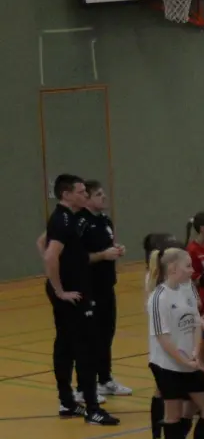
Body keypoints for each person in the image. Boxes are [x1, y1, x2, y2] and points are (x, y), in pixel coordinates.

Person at [43, 174, 115, 423]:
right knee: (84, 347)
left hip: (76, 289)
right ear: (67, 194)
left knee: (66, 345)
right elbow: (50, 255)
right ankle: (92, 408)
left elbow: (42, 241)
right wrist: (60, 289)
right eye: (82, 191)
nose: (85, 195)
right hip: (72, 294)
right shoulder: (63, 220)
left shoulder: (69, 218)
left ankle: (67, 403)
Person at [147, 248, 204, 439]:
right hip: (167, 364)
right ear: (173, 268)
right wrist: (184, 360)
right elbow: (163, 338)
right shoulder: (158, 298)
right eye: (188, 266)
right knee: (172, 412)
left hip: (189, 362)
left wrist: (195, 353)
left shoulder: (187, 289)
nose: (192, 270)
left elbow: (195, 322)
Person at [79, 181, 130, 400]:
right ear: (87, 198)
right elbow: (77, 258)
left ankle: (105, 380)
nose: (104, 197)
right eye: (98, 194)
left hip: (107, 286)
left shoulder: (105, 221)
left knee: (106, 334)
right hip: (89, 288)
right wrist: (102, 256)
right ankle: (85, 386)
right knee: (91, 337)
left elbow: (105, 248)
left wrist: (116, 251)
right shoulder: (80, 222)